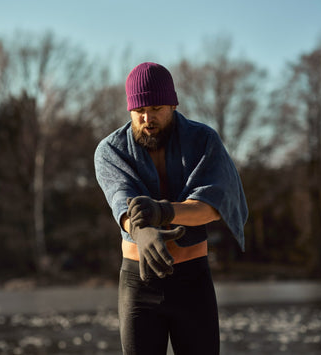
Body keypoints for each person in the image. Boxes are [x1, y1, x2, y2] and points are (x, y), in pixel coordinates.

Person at [94, 62, 248, 355]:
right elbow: (121, 203)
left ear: (173, 105)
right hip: (138, 284)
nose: (147, 118)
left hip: (193, 281)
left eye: (156, 108)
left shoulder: (203, 140)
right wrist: (140, 230)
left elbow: (211, 205)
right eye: (139, 110)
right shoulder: (110, 150)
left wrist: (163, 212)